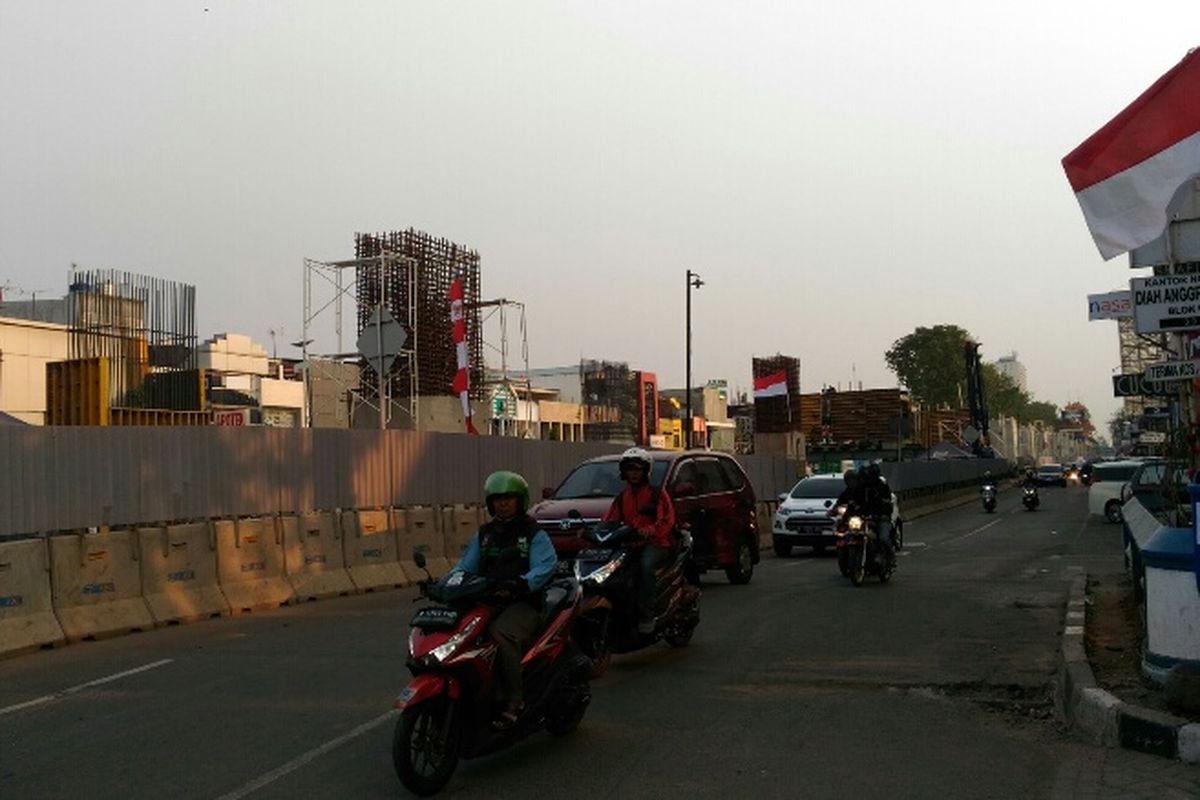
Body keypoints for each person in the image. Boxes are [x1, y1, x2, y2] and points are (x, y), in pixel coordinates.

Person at [450, 470, 556, 729]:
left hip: (524, 603)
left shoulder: (533, 533)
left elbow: (545, 566)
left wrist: (522, 582)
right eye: (497, 499)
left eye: (508, 498)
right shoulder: (485, 534)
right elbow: (466, 567)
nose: (503, 504)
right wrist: (446, 583)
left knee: (501, 634)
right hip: (489, 601)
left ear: (520, 500)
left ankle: (514, 701)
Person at [603, 447, 676, 634]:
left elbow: (667, 520)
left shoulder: (657, 494)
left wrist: (651, 530)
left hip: (656, 544)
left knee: (645, 566)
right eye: (629, 469)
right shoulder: (621, 498)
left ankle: (647, 615)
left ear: (645, 471)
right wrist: (590, 533)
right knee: (610, 570)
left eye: (637, 469)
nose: (633, 473)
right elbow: (609, 521)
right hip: (630, 545)